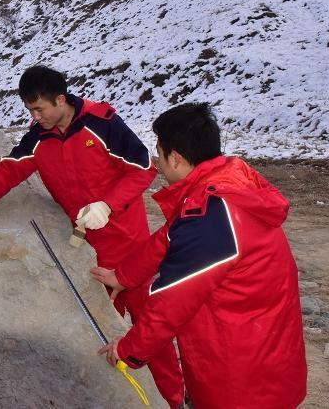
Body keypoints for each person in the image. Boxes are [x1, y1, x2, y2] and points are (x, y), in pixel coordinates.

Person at [0, 65, 185, 409]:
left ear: (61, 99)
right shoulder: (39, 137)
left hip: (129, 244)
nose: (36, 117)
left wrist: (107, 206)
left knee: (147, 329)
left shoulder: (103, 123)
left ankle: (173, 400)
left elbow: (143, 167)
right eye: (30, 111)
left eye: (40, 109)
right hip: (84, 251)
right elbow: (11, 167)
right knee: (98, 329)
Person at [94, 102, 307, 409]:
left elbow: (170, 304)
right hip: (268, 355)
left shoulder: (210, 217)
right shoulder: (225, 185)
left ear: (176, 158)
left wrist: (128, 351)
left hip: (239, 378)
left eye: (160, 152)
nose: (159, 162)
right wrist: (123, 276)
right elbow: (169, 236)